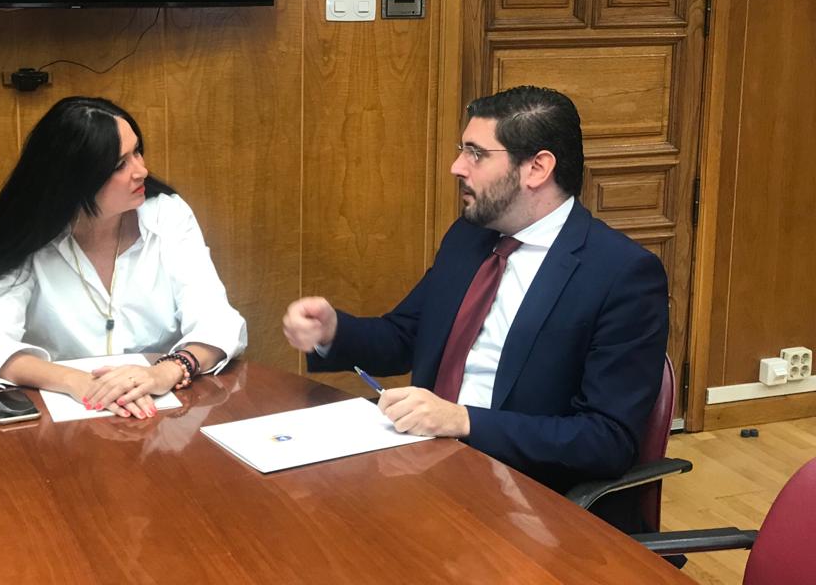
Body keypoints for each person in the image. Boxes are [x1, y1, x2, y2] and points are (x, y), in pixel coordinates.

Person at [282, 86, 668, 531]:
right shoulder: (469, 238)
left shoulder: (622, 274)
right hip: (425, 469)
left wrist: (463, 421)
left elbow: (605, 439)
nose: (456, 167)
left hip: (531, 505)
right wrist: (333, 333)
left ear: (537, 168)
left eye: (475, 153)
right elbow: (407, 336)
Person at [0, 96, 246, 419]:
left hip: (160, 419)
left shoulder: (167, 216)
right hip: (57, 430)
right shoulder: (30, 238)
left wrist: (165, 371)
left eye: (138, 151)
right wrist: (76, 382)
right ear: (75, 180)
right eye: (121, 165)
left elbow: (220, 323)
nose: (142, 171)